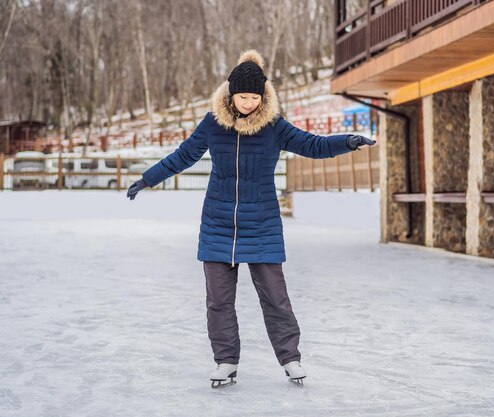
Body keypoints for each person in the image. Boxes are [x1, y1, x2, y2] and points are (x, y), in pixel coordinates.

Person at [126, 49, 376, 388]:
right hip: (218, 223)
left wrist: (347, 141)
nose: (248, 103)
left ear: (263, 95)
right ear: (230, 93)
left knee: (275, 297)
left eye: (254, 97)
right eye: (242, 96)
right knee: (218, 301)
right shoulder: (213, 123)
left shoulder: (274, 125)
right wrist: (147, 179)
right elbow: (183, 156)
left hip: (262, 223)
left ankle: (291, 358)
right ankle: (226, 361)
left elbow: (313, 145)